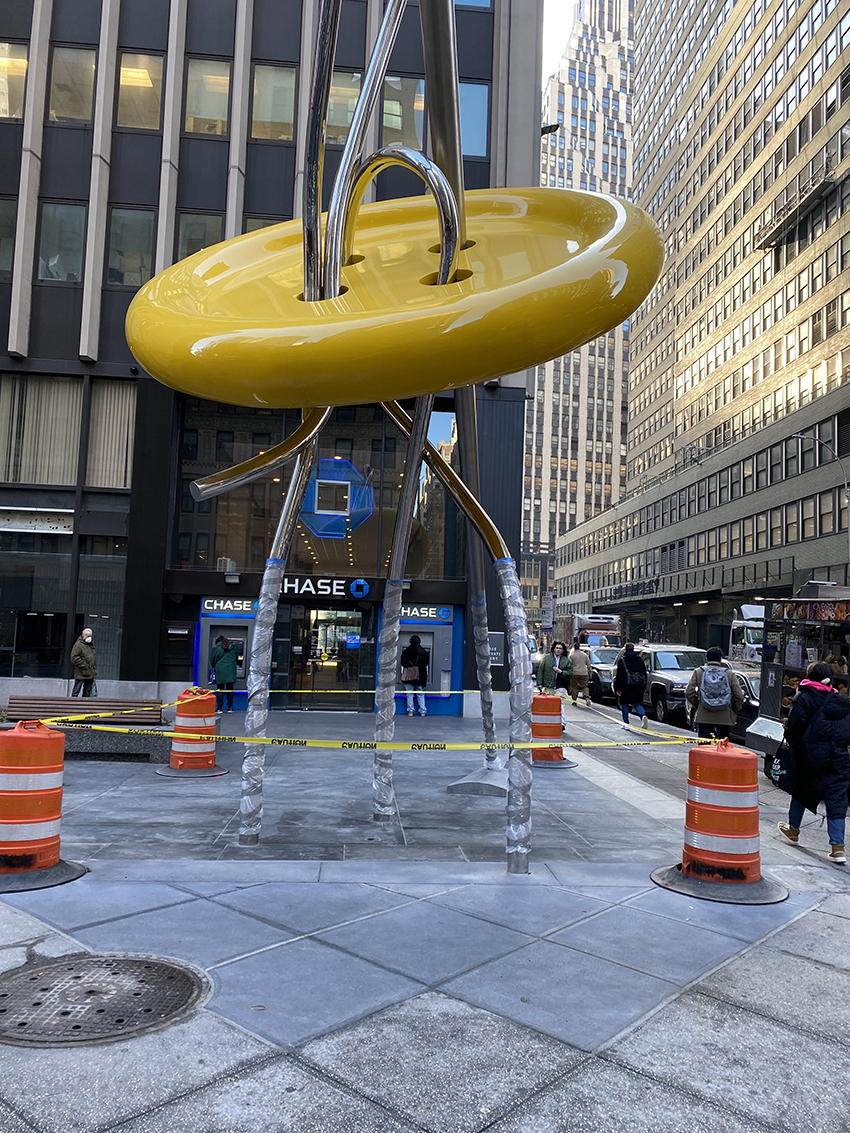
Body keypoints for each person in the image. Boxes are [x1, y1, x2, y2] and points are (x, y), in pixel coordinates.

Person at [778, 660, 850, 865]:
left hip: (811, 756)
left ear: (810, 677)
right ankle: (838, 848)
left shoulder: (804, 698)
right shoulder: (841, 702)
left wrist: (796, 745)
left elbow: (794, 727)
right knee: (837, 798)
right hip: (839, 758)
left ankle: (793, 830)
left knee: (802, 789)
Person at [685, 647, 745, 739]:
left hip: (704, 716)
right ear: (721, 659)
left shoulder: (699, 672)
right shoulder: (729, 674)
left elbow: (689, 692)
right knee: (722, 748)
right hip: (724, 717)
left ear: (707, 659)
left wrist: (699, 704)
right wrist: (734, 709)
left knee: (705, 748)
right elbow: (739, 695)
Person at [613, 642, 648, 730]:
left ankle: (626, 723)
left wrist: (618, 688)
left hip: (625, 686)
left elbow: (619, 675)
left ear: (625, 649)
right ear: (633, 649)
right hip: (638, 685)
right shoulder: (640, 660)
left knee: (624, 703)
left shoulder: (622, 660)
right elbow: (644, 673)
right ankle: (643, 716)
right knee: (637, 703)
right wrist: (644, 686)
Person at [400, 634, 428, 717]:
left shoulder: (407, 651)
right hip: (420, 676)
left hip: (409, 676)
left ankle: (410, 711)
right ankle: (423, 711)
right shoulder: (423, 651)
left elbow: (402, 663)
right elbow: (427, 663)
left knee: (409, 694)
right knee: (420, 694)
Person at [210, 635, 238, 712]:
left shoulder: (216, 648)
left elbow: (212, 660)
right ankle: (230, 708)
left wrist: (214, 666)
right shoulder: (233, 646)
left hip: (220, 670)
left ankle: (219, 708)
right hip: (231, 669)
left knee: (220, 689)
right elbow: (237, 657)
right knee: (230, 689)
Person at [70, 628, 97, 697]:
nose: (90, 638)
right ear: (83, 636)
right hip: (81, 672)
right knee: (76, 690)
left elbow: (93, 658)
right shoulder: (78, 645)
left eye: (90, 636)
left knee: (87, 691)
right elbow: (74, 657)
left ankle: (86, 705)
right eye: (88, 636)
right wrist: (84, 665)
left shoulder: (90, 645)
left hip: (90, 673)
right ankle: (73, 704)